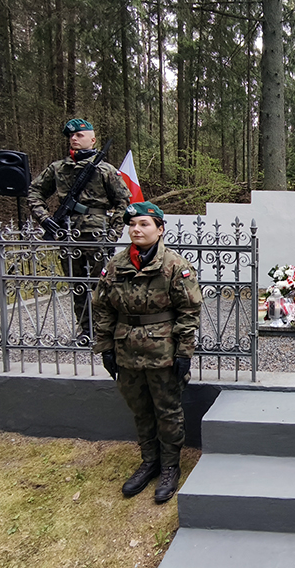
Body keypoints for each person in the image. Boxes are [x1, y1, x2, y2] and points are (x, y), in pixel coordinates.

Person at [92, 201, 203, 503]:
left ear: (160, 229)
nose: (136, 229)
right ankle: (149, 461)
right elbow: (103, 308)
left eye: (144, 224)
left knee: (167, 411)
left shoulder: (175, 266)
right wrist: (105, 347)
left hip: (163, 351)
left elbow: (188, 311)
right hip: (126, 350)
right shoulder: (116, 265)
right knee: (140, 409)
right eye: (132, 225)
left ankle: (169, 466)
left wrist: (184, 353)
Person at [28, 118, 130, 340]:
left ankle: (105, 329)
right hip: (68, 233)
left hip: (97, 234)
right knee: (77, 285)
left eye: (79, 135)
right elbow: (34, 192)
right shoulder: (58, 168)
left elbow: (124, 202)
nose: (74, 138)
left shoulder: (105, 170)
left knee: (102, 285)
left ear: (92, 140)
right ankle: (86, 329)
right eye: (71, 136)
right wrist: (44, 218)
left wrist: (113, 234)